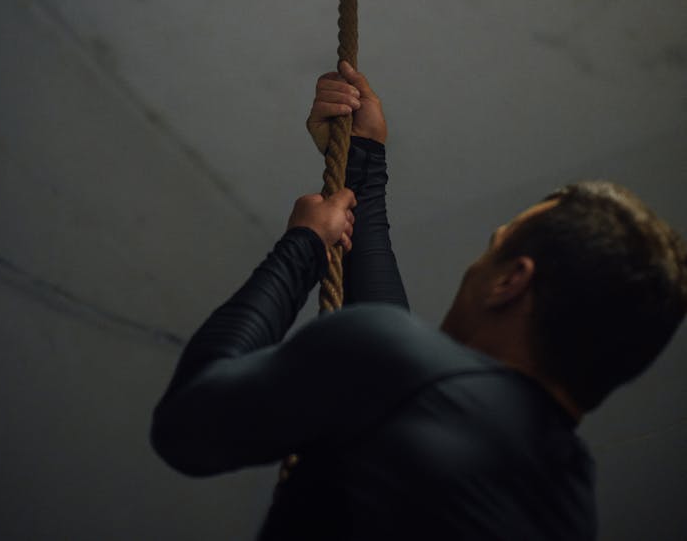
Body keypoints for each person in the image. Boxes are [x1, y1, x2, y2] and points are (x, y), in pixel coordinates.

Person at [149, 62, 687, 539]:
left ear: (510, 283)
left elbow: (187, 425)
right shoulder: (569, 503)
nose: (477, 266)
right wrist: (362, 166)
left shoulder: (391, 367)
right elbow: (400, 366)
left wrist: (303, 246)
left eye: (492, 249)